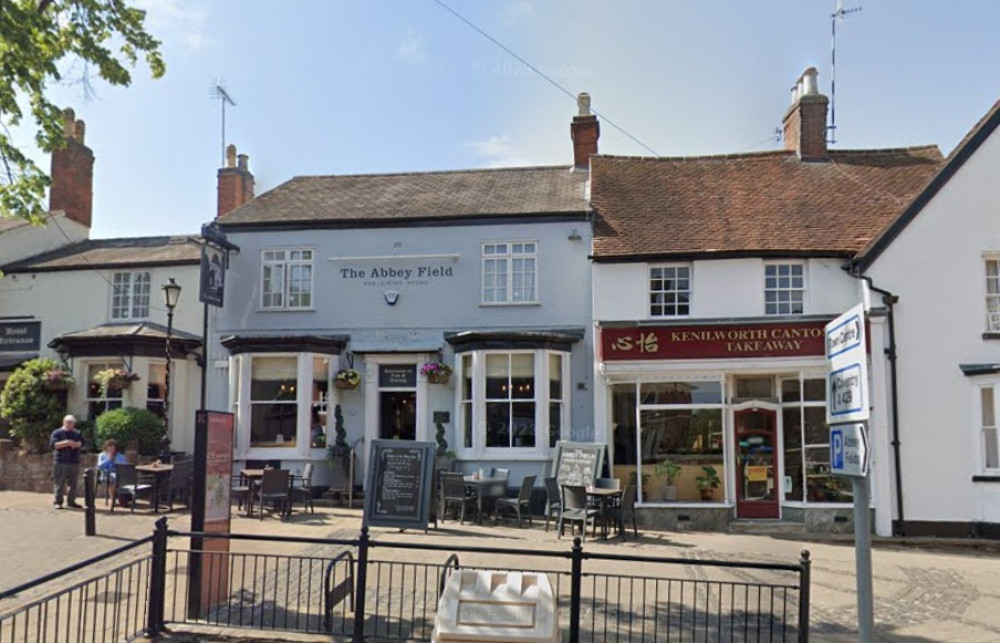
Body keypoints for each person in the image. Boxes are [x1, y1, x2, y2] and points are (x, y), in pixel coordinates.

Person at [49, 414, 84, 509]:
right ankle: (58, 502)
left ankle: (71, 502)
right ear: (64, 422)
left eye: (72, 423)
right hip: (61, 461)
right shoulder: (57, 433)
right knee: (59, 483)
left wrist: (77, 444)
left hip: (74, 462)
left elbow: (82, 443)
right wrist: (67, 443)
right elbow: (54, 445)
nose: (70, 425)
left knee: (73, 484)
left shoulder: (77, 433)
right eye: (68, 422)